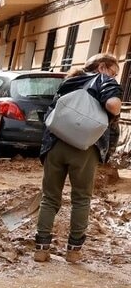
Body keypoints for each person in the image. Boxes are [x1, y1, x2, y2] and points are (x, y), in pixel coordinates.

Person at [34, 53, 123, 264]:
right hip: (85, 148)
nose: (114, 77)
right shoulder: (104, 81)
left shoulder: (71, 80)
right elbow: (114, 106)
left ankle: (41, 249)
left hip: (55, 144)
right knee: (81, 199)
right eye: (113, 72)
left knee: (49, 198)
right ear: (102, 67)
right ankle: (73, 252)